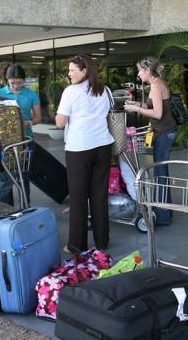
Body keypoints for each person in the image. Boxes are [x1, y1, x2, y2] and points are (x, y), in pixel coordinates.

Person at [56, 54, 114, 253]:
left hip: (79, 148)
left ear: (84, 71)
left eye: (72, 70)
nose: (69, 73)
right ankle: (102, 241)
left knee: (78, 199)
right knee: (99, 195)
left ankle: (76, 245)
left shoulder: (71, 91)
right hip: (103, 145)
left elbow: (60, 122)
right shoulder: (104, 89)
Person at [124, 57, 177, 226]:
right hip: (165, 131)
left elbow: (158, 114)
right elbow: (153, 106)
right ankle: (165, 212)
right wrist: (137, 104)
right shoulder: (158, 83)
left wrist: (136, 109)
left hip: (164, 131)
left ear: (148, 70)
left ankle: (162, 216)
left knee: (160, 172)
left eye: (140, 70)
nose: (138, 74)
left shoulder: (155, 86)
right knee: (161, 171)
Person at [0, 64, 42, 205]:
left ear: (24, 80)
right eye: (12, 83)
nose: (15, 86)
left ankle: (25, 207)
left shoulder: (31, 95)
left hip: (25, 139)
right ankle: (7, 210)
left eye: (19, 83)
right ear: (7, 80)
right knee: (3, 177)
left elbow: (38, 117)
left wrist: (28, 123)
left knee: (24, 175)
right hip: (4, 141)